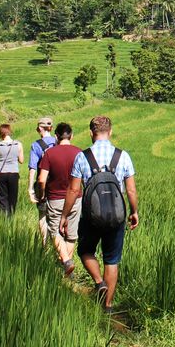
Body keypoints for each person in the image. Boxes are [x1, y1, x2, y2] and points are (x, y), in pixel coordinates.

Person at [61, 115, 138, 314]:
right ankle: (108, 307)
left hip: (91, 216)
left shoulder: (82, 156)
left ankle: (98, 281)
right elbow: (130, 190)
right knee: (112, 259)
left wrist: (64, 215)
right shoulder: (123, 156)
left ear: (91, 133)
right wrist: (134, 211)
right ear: (110, 131)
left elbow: (73, 190)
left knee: (85, 250)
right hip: (116, 216)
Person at [36, 122, 82, 276]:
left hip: (55, 197)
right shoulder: (79, 153)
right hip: (75, 198)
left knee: (54, 231)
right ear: (72, 136)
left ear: (56, 136)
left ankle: (66, 261)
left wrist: (41, 194)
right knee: (71, 234)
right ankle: (67, 270)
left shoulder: (50, 153)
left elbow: (42, 179)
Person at [28, 117, 57, 241]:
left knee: (42, 216)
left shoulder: (36, 145)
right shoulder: (58, 142)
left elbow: (32, 168)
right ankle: (58, 244)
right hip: (58, 184)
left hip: (43, 185)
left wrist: (30, 189)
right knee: (57, 216)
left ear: (40, 128)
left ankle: (45, 245)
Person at [0, 124, 24, 217]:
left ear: (0, 133)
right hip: (14, 174)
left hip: (1, 174)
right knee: (13, 198)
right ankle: (11, 218)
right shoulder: (18, 144)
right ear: (10, 131)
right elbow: (21, 161)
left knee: (2, 199)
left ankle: (4, 220)